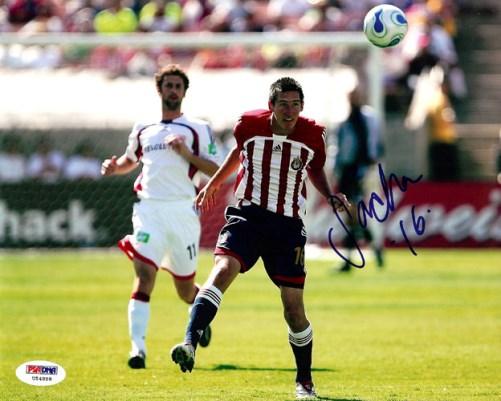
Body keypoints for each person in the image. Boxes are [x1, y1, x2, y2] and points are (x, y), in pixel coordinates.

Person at [170, 77, 348, 400]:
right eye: (283, 105)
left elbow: (315, 168)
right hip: (248, 216)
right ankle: (189, 344)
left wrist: (330, 195)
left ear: (302, 106)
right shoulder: (249, 125)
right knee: (222, 270)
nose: (290, 111)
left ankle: (304, 381)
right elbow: (238, 154)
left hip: (287, 226)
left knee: (293, 309)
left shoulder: (313, 134)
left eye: (295, 105)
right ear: (271, 106)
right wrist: (214, 183)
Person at [101, 64, 220, 369]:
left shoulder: (198, 128)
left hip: (182, 211)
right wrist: (115, 168)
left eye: (178, 86)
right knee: (144, 277)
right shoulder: (144, 128)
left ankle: (201, 318)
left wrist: (186, 154)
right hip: (149, 210)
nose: (173, 91)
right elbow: (130, 160)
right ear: (160, 89)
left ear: (184, 92)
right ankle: (137, 350)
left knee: (185, 291)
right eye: (168, 85)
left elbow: (217, 170)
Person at [333, 85, 385, 272]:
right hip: (347, 171)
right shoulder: (345, 119)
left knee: (352, 215)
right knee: (352, 217)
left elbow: (375, 144)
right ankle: (375, 249)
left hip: (360, 170)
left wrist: (369, 167)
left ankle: (349, 260)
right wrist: (336, 170)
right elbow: (340, 147)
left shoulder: (368, 118)